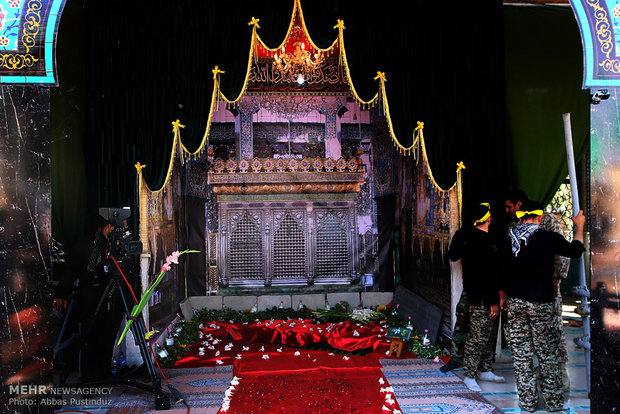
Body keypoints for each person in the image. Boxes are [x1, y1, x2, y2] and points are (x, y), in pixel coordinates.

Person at [500, 200, 585, 412]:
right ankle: (554, 403)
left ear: (520, 217)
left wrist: (502, 297)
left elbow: (500, 271)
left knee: (521, 356)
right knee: (547, 354)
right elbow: (575, 250)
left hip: (516, 302)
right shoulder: (548, 237)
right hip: (541, 302)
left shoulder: (507, 239)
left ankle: (527, 403)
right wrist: (580, 226)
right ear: (539, 218)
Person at [505, 188, 572, 390]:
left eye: (510, 206)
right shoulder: (515, 225)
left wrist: (557, 278)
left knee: (552, 334)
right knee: (525, 340)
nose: (507, 211)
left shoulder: (547, 220)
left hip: (545, 288)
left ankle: (559, 374)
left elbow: (562, 250)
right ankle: (535, 377)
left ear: (519, 205)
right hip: (523, 291)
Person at [54, 218, 125, 382]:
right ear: (108, 226)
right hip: (90, 300)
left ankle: (104, 376)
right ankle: (89, 380)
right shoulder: (87, 244)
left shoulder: (119, 246)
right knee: (90, 340)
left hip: (112, 301)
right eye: (119, 228)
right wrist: (61, 294)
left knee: (107, 341)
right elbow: (71, 269)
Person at [448, 202, 505, 391]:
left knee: (487, 334)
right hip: (483, 297)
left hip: (474, 293)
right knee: (478, 336)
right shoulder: (486, 243)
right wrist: (493, 302)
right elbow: (488, 275)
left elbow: (452, 255)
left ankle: (485, 369)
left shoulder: (464, 236)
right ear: (489, 219)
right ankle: (470, 374)